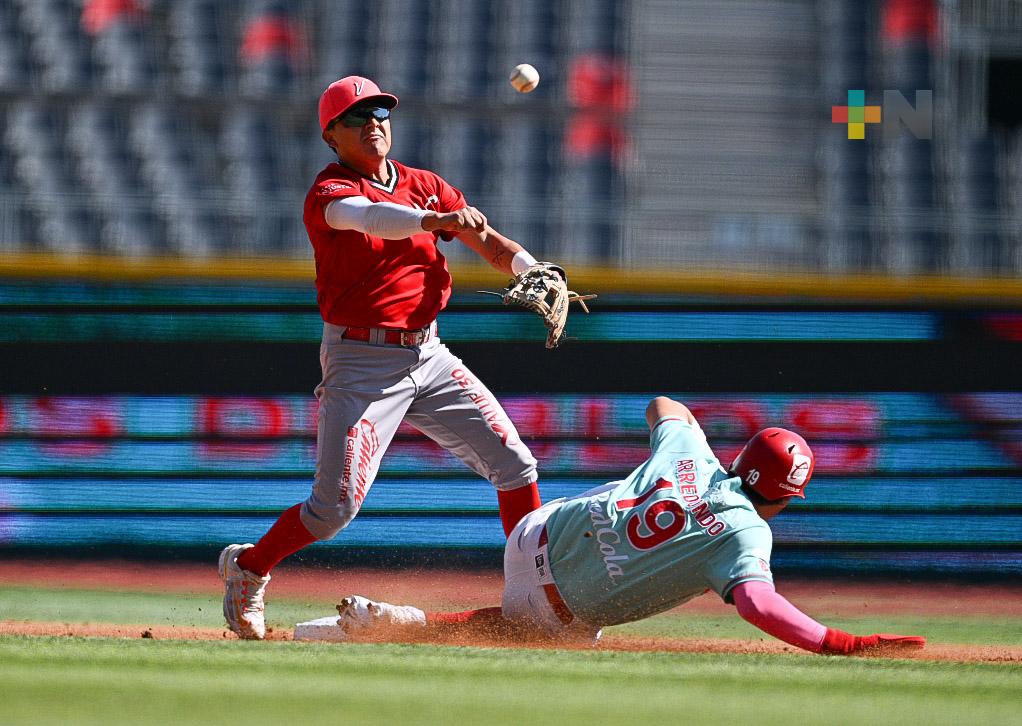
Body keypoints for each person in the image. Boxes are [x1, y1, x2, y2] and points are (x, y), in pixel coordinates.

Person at [219, 75, 566, 639]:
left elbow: (490, 242)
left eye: (380, 110)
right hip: (361, 361)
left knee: (516, 465)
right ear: (332, 135)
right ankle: (249, 567)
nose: (374, 122)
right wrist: (434, 222)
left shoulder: (425, 184)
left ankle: (535, 593)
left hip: (428, 352)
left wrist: (533, 269)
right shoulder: (328, 192)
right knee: (333, 511)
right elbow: (371, 218)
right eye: (357, 116)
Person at [313, 396, 926, 656]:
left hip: (533, 531)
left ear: (741, 460)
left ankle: (348, 625)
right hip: (550, 608)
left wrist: (697, 447)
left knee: (545, 604)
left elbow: (665, 405)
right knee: (557, 636)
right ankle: (415, 624)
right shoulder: (748, 536)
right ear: (790, 498)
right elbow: (758, 606)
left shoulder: (692, 454)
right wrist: (836, 642)